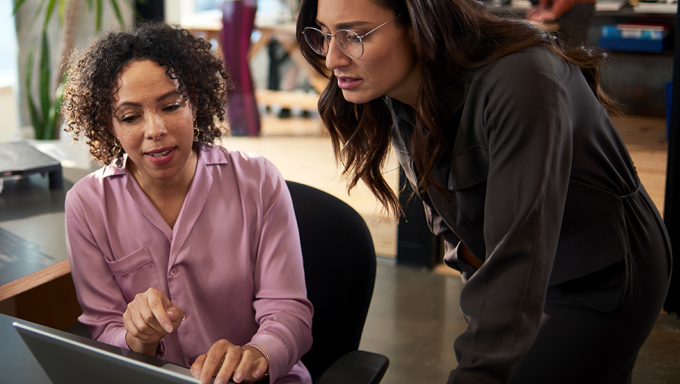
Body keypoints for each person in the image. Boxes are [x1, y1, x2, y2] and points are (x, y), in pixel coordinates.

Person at [296, 0, 670, 383]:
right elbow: (452, 221)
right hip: (530, 268)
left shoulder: (521, 76)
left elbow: (518, 251)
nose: (332, 58)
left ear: (419, 24)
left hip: (599, 271)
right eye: (324, 35)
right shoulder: (399, 90)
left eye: (355, 35)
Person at [61, 22, 313, 384]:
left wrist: (256, 355)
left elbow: (289, 312)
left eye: (171, 105)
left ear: (194, 101)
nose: (155, 129)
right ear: (109, 124)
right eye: (131, 117)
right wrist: (136, 338)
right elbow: (103, 330)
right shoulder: (87, 204)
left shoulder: (258, 181)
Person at [526, 0, 596, 48]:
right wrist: (541, 8)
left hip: (576, 5)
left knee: (573, 48)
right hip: (557, 4)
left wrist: (554, 11)